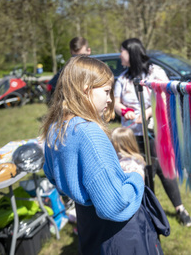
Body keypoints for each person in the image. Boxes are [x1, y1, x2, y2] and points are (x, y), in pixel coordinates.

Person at [41, 55, 166, 254]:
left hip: (88, 226)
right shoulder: (90, 133)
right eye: (106, 92)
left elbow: (53, 174)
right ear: (86, 89)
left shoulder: (56, 128)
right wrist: (136, 177)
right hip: (119, 234)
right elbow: (113, 206)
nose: (110, 100)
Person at [113, 38, 191, 227]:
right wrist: (125, 111)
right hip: (130, 135)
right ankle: (148, 211)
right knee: (140, 171)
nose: (119, 55)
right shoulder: (123, 78)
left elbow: (167, 95)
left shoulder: (155, 73)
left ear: (131, 52)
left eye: (122, 51)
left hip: (154, 131)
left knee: (163, 169)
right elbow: (116, 102)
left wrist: (147, 113)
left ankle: (180, 208)